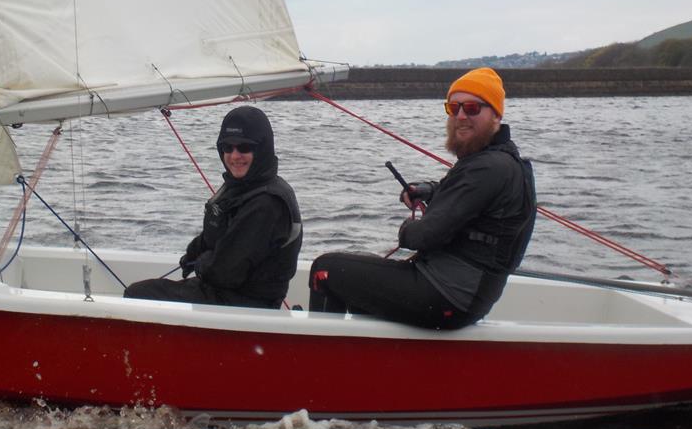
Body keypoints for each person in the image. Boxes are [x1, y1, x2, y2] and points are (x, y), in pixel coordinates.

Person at [308, 67, 536, 329]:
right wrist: (427, 190)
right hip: (466, 297)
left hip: (446, 297)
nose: (461, 116)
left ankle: (318, 363)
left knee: (325, 270)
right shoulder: (503, 163)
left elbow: (422, 237)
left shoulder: (487, 168)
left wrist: (406, 228)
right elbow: (463, 194)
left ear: (495, 114)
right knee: (359, 272)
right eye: (454, 108)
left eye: (472, 108)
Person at [124, 106, 302, 309]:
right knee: (146, 290)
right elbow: (220, 234)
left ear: (261, 149)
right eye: (227, 147)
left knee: (137, 294)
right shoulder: (243, 186)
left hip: (246, 306)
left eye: (244, 147)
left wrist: (201, 263)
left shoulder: (266, 203)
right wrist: (193, 252)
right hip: (224, 294)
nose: (235, 156)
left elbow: (225, 273)